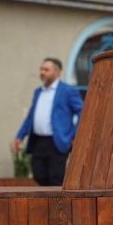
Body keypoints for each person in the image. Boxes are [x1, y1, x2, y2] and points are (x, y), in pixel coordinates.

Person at [13, 58, 83, 186]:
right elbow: (30, 117)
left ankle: (57, 199)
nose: (42, 72)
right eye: (41, 69)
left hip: (57, 141)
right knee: (39, 174)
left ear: (57, 72)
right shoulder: (38, 92)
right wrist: (20, 136)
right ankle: (48, 197)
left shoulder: (68, 91)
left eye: (46, 69)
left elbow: (82, 112)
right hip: (38, 141)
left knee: (56, 177)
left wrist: (75, 135)